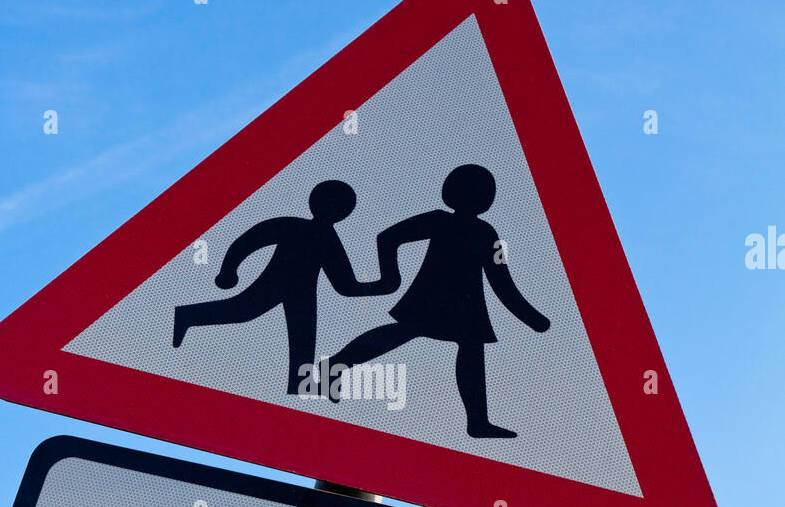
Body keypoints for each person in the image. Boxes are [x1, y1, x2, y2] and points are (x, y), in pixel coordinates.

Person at [326, 164, 550, 437]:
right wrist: (391, 278)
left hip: (465, 303)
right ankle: (332, 368)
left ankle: (477, 422)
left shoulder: (487, 233)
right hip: (434, 295)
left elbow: (501, 279)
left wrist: (530, 316)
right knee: (410, 334)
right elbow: (388, 237)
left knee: (464, 345)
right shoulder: (444, 221)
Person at [173, 180, 386, 395]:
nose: (335, 209)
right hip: (275, 284)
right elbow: (248, 241)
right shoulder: (300, 228)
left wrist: (377, 287)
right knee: (244, 311)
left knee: (302, 336)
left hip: (301, 293)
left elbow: (344, 285)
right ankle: (187, 315)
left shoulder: (319, 235)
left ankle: (299, 384)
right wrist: (228, 271)